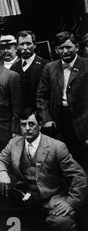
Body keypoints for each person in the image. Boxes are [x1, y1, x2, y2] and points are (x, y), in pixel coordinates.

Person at [0, 109, 88, 231]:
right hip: (24, 195)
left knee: (61, 222)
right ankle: (28, 220)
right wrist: (2, 172)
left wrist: (71, 202)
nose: (27, 128)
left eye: (31, 124)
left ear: (40, 125)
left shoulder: (56, 147)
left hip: (51, 197)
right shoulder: (14, 143)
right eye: (23, 124)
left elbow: (79, 177)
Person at [36, 31, 88, 171]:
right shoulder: (50, 68)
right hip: (58, 123)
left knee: (83, 162)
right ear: (56, 50)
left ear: (76, 47)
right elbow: (41, 96)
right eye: (61, 48)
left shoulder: (86, 65)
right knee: (61, 162)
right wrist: (46, 119)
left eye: (68, 47)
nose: (65, 51)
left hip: (82, 122)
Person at [10, 31, 48, 111]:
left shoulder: (45, 66)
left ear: (34, 45)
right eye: (21, 44)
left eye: (28, 44)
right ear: (17, 47)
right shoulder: (14, 67)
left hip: (40, 114)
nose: (25, 47)